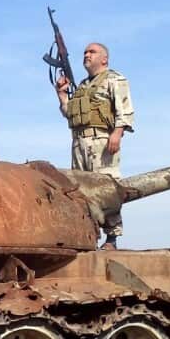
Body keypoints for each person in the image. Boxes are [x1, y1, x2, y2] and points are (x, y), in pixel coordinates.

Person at [55, 43, 134, 247]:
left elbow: (124, 111)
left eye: (92, 52)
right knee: (80, 190)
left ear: (104, 59)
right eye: (85, 52)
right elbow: (70, 113)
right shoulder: (82, 86)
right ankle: (87, 235)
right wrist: (62, 95)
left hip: (102, 140)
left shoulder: (114, 79)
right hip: (79, 142)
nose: (87, 55)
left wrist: (117, 133)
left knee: (106, 188)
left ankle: (112, 237)